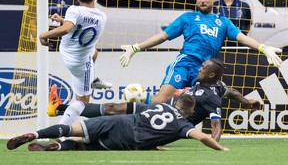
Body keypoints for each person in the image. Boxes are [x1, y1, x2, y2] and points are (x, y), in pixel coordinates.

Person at [119, 0, 282, 104]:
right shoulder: (187, 18)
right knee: (161, 99)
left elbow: (242, 37)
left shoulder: (223, 22)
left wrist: (263, 48)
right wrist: (136, 47)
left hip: (205, 70)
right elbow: (162, 36)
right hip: (185, 64)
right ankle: (136, 104)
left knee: (220, 92)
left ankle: (247, 104)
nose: (202, 1)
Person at [47, 58, 261, 141]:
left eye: (204, 68)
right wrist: (249, 102)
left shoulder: (212, 97)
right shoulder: (217, 85)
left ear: (212, 74)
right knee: (115, 107)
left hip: (166, 121)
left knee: (115, 117)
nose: (200, 68)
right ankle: (60, 108)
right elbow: (231, 91)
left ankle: (66, 120)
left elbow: (216, 124)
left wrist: (214, 143)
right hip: (159, 108)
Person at [6, 94, 229, 152]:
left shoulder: (155, 106)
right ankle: (57, 146)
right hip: (125, 141)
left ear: (175, 102)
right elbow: (202, 137)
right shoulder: (183, 125)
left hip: (118, 122)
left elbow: (118, 108)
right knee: (83, 145)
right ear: (189, 111)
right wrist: (221, 146)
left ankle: (35, 135)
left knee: (71, 129)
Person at [40, 0, 111, 125]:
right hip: (80, 62)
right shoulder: (102, 16)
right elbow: (68, 28)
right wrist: (44, 34)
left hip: (66, 52)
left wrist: (53, 27)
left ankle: (94, 79)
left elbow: (70, 27)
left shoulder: (74, 10)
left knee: (95, 52)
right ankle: (59, 117)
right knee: (83, 102)